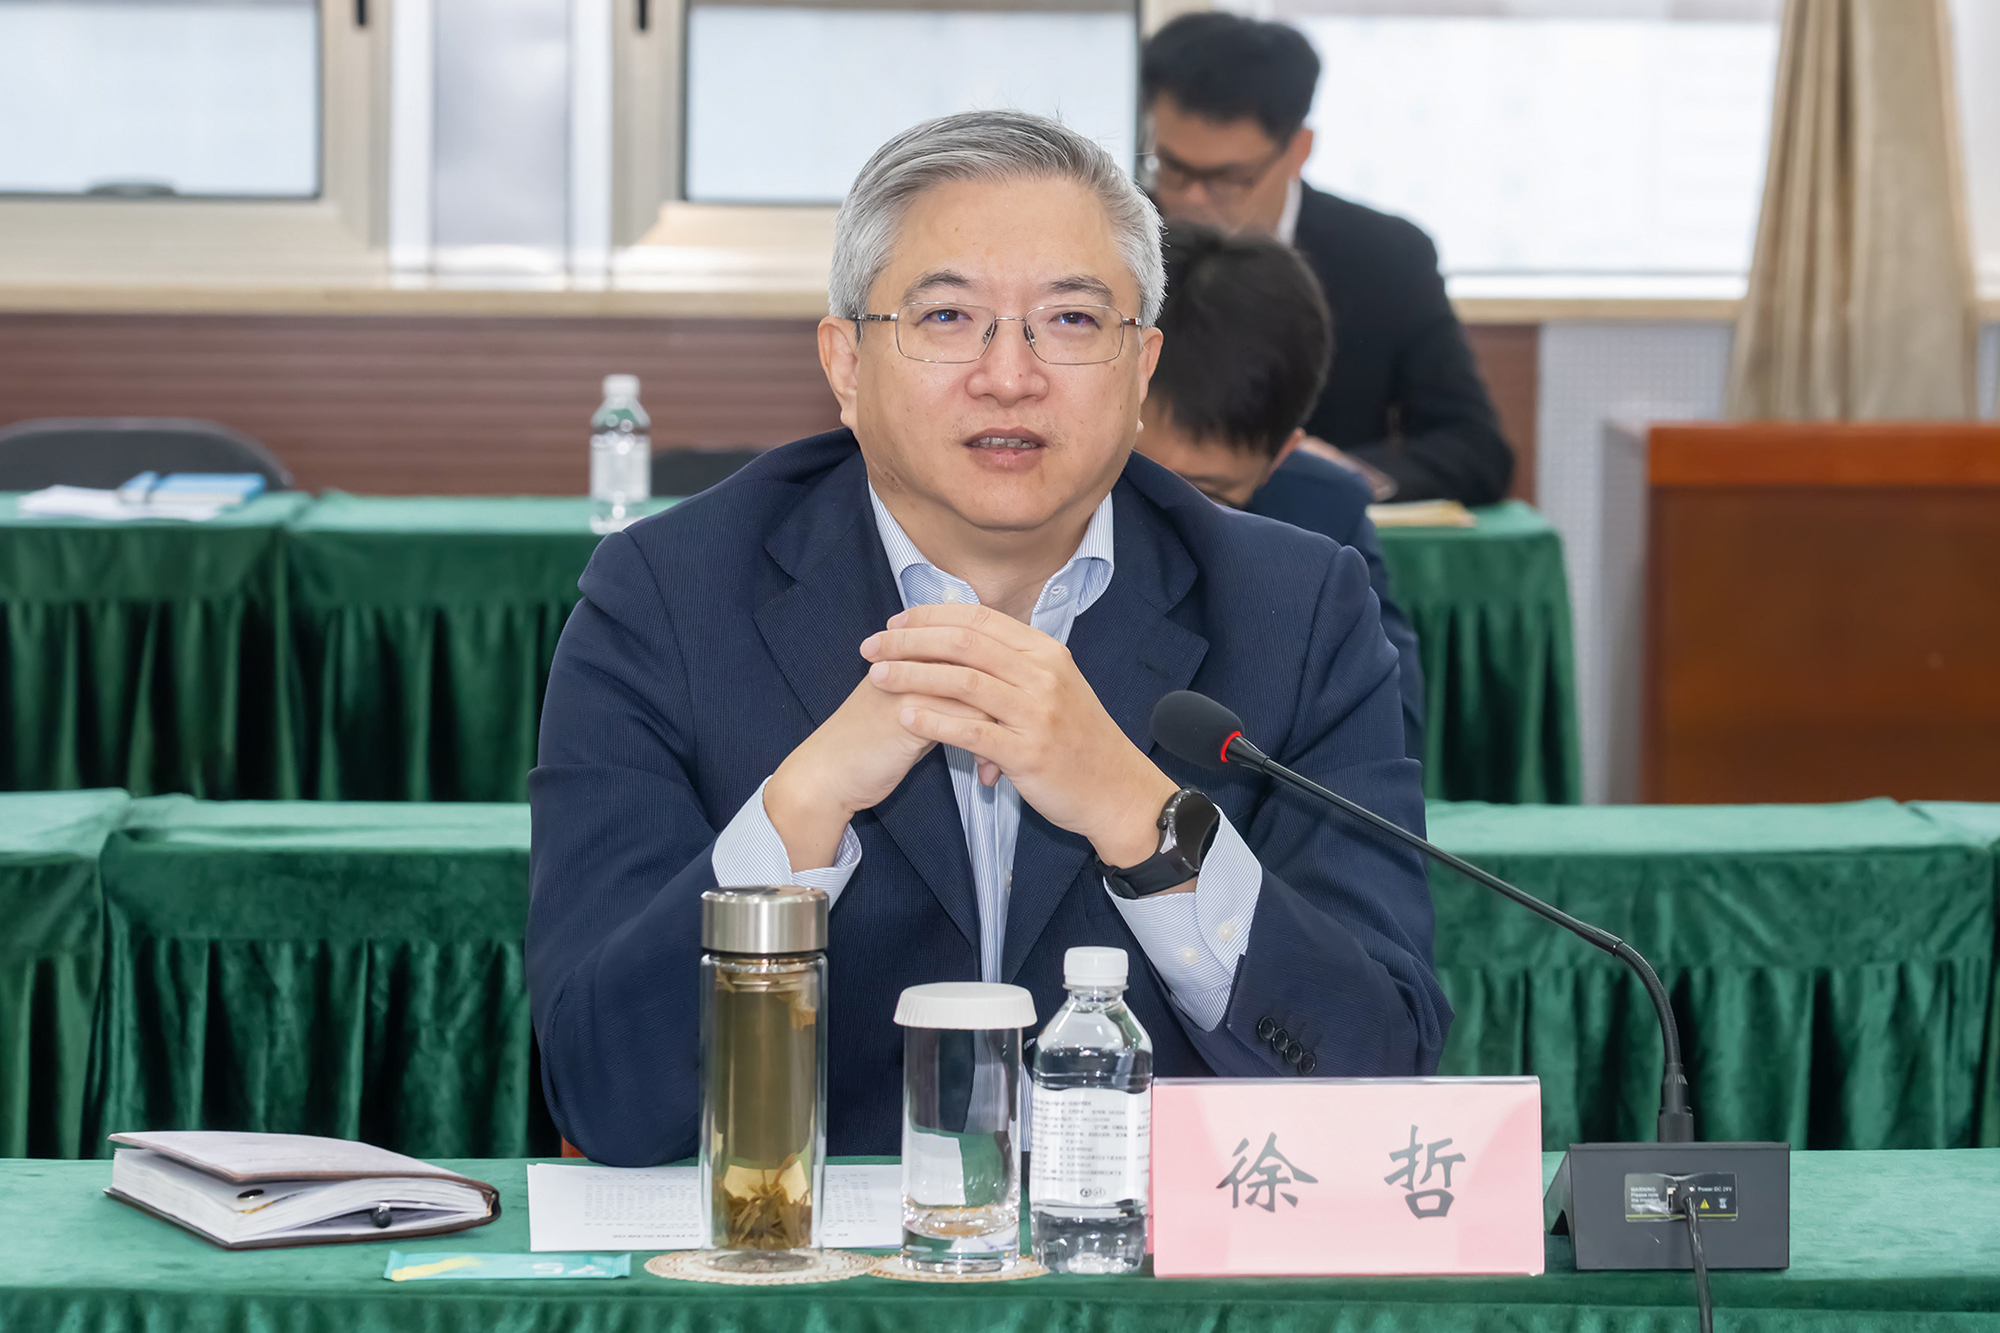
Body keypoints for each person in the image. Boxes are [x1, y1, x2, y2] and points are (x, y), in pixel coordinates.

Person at [528, 110, 1448, 1167]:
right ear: (845, 363)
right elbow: (604, 1095)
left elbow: (1373, 1072)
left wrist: (1139, 815)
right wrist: (800, 816)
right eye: (947, 316)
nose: (1008, 375)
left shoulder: (1295, 610)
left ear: (1141, 366)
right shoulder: (665, 599)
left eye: (1070, 319)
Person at [1141, 11, 1514, 507]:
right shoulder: (1114, 239)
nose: (1192, 200)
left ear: (1299, 150)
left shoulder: (1386, 258)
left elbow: (1475, 448)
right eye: (1171, 167)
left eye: (1227, 179)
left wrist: (1342, 476)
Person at [1139, 223, 1424, 760]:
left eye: (1205, 492)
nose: (1155, 506)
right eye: (1131, 471)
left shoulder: (1322, 516)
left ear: (1283, 453)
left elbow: (1385, 746)